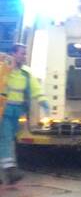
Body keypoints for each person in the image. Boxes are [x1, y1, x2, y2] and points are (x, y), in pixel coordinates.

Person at [1, 43, 45, 185]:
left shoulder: (26, 72)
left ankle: (6, 172)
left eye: (25, 53)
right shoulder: (5, 68)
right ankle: (10, 170)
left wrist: (42, 99)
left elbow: (35, 87)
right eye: (22, 53)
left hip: (16, 110)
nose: (24, 56)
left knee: (9, 138)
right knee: (6, 138)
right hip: (3, 110)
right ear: (14, 54)